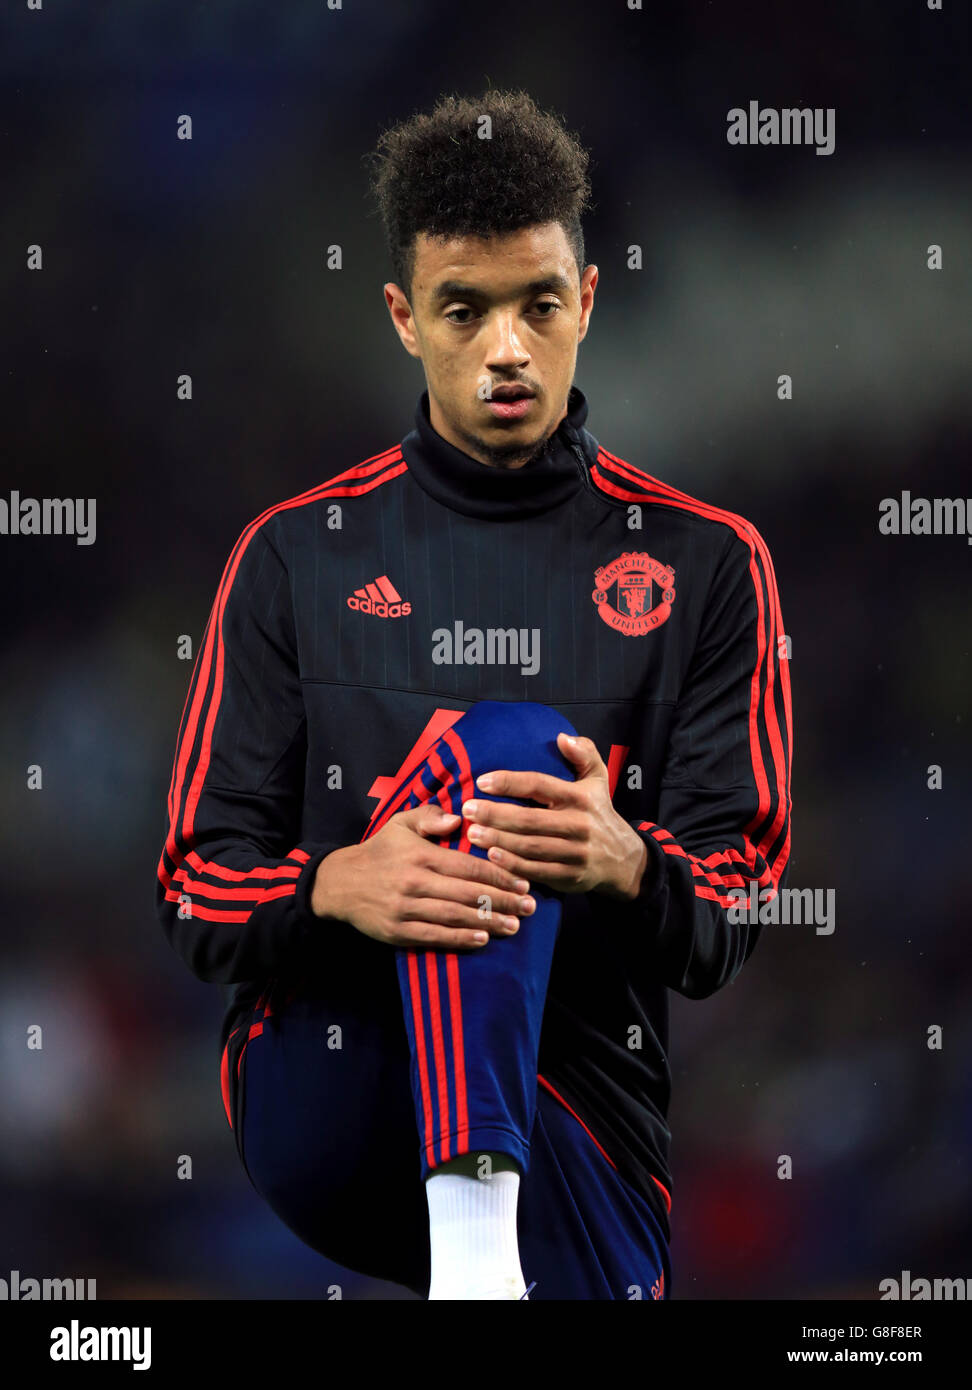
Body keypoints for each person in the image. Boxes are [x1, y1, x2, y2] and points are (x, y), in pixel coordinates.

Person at [155, 88, 792, 1300]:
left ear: (587, 303)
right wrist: (337, 881)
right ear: (404, 317)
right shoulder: (297, 555)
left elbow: (735, 903)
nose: (507, 347)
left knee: (513, 759)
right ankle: (474, 1262)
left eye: (538, 305)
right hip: (336, 1072)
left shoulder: (713, 564)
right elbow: (195, 887)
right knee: (505, 742)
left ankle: (491, 1245)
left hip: (582, 1118)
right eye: (465, 309)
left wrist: (625, 859)